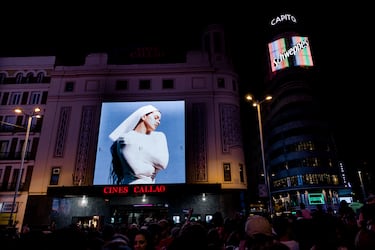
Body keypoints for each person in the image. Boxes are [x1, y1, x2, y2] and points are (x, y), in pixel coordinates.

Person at [109, 104, 169, 185]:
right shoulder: (125, 138)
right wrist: (153, 167)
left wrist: (140, 149)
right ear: (144, 117)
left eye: (159, 120)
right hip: (129, 189)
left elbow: (162, 163)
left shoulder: (159, 136)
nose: (158, 122)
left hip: (152, 190)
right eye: (155, 118)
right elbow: (136, 170)